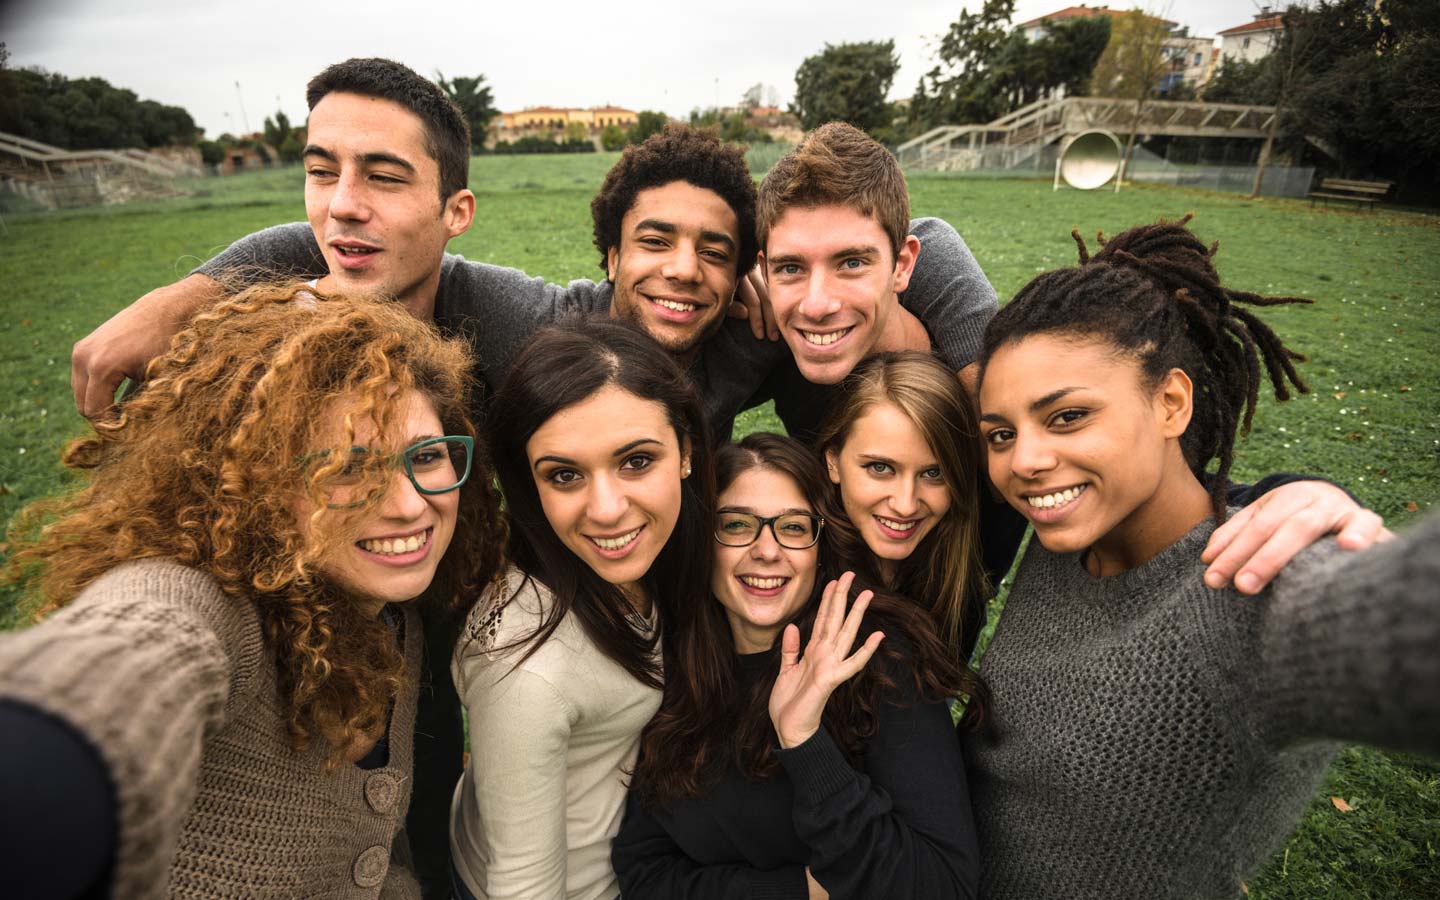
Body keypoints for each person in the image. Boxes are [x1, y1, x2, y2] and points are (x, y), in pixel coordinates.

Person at [969, 217, 1440, 899]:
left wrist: (1348, 544)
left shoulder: (1259, 588)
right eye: (1001, 434)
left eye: (1068, 416)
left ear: (1171, 402)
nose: (1026, 462)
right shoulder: (1067, 540)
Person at [0, 284, 507, 899]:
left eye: (425, 456)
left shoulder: (395, 613)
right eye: (346, 468)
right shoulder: (214, 609)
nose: (408, 506)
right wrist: (50, 740)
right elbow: (132, 656)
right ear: (258, 484)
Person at [613, 433, 981, 899]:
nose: (767, 550)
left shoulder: (880, 661)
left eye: (792, 528)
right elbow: (643, 875)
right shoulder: (671, 664)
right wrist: (797, 892)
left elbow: (941, 887)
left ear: (821, 547)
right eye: (737, 524)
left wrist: (805, 743)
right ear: (704, 541)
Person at [449, 319, 714, 900]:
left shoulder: (653, 562)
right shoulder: (528, 672)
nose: (607, 509)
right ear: (531, 486)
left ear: (687, 451)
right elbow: (522, 887)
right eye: (565, 475)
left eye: (636, 462)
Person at [814, 352, 992, 658]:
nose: (906, 505)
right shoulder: (799, 573)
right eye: (880, 468)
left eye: (934, 473)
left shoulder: (957, 578)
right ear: (833, 462)